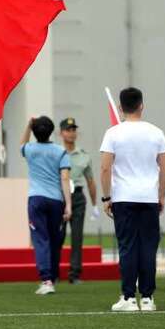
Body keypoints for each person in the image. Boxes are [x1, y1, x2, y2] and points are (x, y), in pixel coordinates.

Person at [101, 87, 165, 312]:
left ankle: (129, 297)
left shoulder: (113, 133)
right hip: (148, 197)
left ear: (121, 108)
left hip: (123, 197)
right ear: (142, 105)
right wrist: (161, 195)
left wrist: (106, 197)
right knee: (148, 247)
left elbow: (105, 167)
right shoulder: (156, 132)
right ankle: (148, 298)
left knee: (128, 247)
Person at [21, 116, 72, 295]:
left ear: (35, 131)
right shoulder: (61, 151)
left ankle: (47, 279)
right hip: (56, 200)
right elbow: (65, 178)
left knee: (41, 239)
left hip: (36, 199)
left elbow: (22, 143)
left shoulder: (30, 149)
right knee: (54, 239)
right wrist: (69, 205)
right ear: (51, 131)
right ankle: (53, 276)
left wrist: (28, 126)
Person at [59, 117, 99, 284]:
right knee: (57, 237)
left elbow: (90, 181)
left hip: (78, 197)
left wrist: (95, 204)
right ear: (61, 133)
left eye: (73, 129)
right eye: (68, 130)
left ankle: (74, 274)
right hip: (59, 197)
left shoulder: (84, 156)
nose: (71, 133)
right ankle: (51, 273)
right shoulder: (57, 152)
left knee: (77, 237)